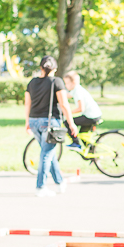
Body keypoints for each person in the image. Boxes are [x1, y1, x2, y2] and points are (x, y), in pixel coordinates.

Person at [23, 56, 78, 197]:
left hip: (34, 121)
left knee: (49, 152)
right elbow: (64, 104)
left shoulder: (32, 82)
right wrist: (71, 123)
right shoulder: (56, 81)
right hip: (49, 123)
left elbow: (27, 103)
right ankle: (40, 187)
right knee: (46, 154)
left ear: (41, 68)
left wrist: (27, 122)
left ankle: (59, 183)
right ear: (54, 69)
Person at [62, 71, 102, 149]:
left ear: (73, 82)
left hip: (91, 117)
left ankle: (76, 143)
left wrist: (68, 113)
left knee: (67, 122)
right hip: (94, 115)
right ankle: (91, 151)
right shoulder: (76, 89)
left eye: (67, 83)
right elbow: (66, 96)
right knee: (83, 135)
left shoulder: (77, 91)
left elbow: (81, 108)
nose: (66, 86)